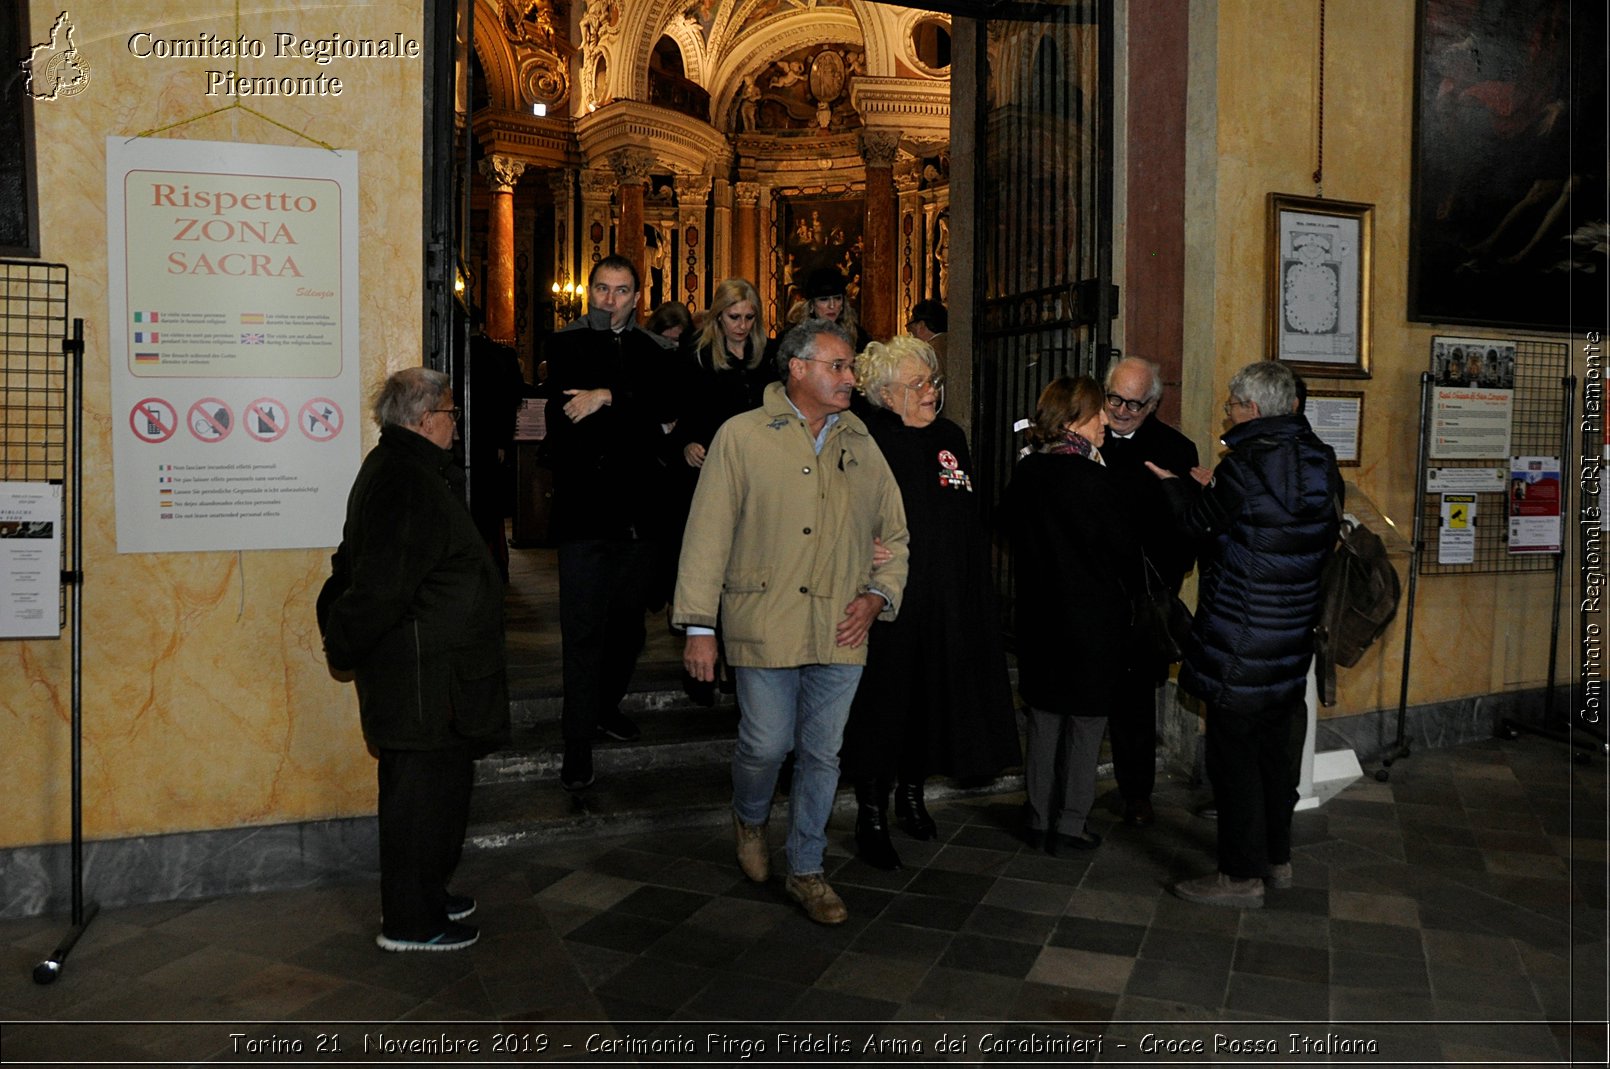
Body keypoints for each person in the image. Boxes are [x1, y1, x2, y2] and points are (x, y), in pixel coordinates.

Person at [673, 319, 909, 925]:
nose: (851, 379)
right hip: (764, 616)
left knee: (822, 754)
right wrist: (700, 628)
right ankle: (750, 818)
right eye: (839, 366)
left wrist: (879, 595)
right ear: (798, 368)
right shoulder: (743, 436)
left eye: (852, 367)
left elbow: (897, 534)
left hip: (841, 622)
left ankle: (807, 869)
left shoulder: (861, 439)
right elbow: (707, 534)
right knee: (766, 743)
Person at [316, 367, 510, 952]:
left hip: (437, 675)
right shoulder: (405, 479)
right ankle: (410, 921)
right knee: (418, 801)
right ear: (426, 420)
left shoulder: (410, 470)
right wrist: (343, 642)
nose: (456, 422)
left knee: (440, 794)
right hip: (421, 678)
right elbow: (379, 585)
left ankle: (427, 891)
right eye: (452, 413)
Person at [1148, 360, 1342, 908]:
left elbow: (1197, 528)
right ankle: (1276, 860)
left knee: (1233, 762)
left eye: (1232, 405)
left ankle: (1238, 878)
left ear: (1253, 410)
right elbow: (1290, 531)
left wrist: (1175, 489)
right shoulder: (1320, 460)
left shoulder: (1244, 467)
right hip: (1289, 636)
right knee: (1276, 758)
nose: (1227, 413)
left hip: (1239, 636)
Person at [842, 336, 1019, 870]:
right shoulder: (866, 438)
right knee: (885, 706)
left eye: (932, 382)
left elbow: (966, 511)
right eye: (917, 384)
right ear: (884, 393)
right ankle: (870, 813)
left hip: (948, 595)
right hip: (891, 599)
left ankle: (911, 796)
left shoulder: (950, 436)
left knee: (929, 700)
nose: (930, 392)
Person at [541, 254, 680, 791]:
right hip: (584, 515)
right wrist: (632, 412)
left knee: (627, 629)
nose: (610, 300)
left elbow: (667, 418)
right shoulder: (565, 344)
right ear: (588, 291)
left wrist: (607, 398)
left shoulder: (658, 350)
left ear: (637, 296)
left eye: (622, 291)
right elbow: (567, 422)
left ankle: (604, 707)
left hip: (639, 517)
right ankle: (576, 746)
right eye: (601, 288)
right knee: (581, 633)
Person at [1005, 376, 1142, 855]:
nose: (1106, 420)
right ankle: (1070, 823)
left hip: (1040, 618)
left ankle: (1038, 818)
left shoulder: (1026, 474)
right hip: (1092, 624)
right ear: (1072, 419)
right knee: (1086, 725)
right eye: (1097, 413)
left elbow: (1005, 532)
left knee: (1043, 721)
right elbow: (1126, 552)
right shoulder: (1097, 480)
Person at [1097, 357, 1199, 826]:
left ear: (1153, 403)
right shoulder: (1082, 437)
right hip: (1092, 591)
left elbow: (1188, 529)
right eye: (1113, 399)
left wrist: (1162, 583)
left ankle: (1137, 793)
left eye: (1133, 404)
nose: (1119, 411)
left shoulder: (1176, 449)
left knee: (1136, 700)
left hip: (1144, 596)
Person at [786, 266, 871, 350]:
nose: (832, 306)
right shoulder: (792, 337)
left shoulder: (858, 336)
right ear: (811, 305)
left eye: (837, 298)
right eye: (824, 299)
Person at [904, 299, 949, 382]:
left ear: (921, 326)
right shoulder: (955, 345)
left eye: (910, 327)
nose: (910, 335)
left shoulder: (927, 354)